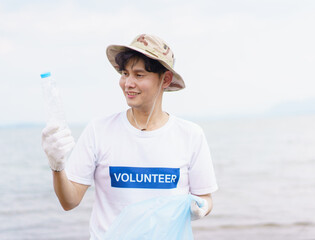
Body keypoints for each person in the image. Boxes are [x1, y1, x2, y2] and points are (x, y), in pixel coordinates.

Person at [41, 34, 218, 239]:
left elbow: (205, 197)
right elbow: (69, 201)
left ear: (165, 79)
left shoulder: (190, 135)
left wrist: (201, 208)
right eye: (125, 73)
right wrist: (57, 167)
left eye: (139, 75)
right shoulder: (99, 131)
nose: (128, 83)